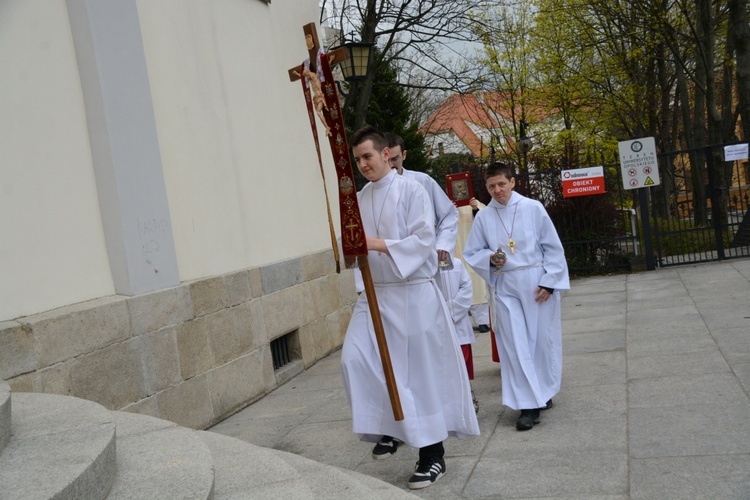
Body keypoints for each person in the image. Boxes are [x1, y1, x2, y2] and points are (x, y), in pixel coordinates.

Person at [341, 126, 479, 489]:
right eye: (357, 160)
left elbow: (423, 241)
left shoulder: (412, 190)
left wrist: (372, 243)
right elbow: (355, 251)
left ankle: (432, 456)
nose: (363, 165)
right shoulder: (359, 197)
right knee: (354, 359)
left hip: (413, 293)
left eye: (367, 157)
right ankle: (392, 427)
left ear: (387, 153)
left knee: (419, 376)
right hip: (375, 295)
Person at [463, 162, 569, 431]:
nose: (497, 190)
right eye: (491, 186)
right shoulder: (485, 217)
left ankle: (542, 391)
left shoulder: (533, 208)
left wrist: (550, 282)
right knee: (516, 345)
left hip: (536, 286)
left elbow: (552, 248)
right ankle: (528, 406)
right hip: (505, 286)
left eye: (501, 184)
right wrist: (491, 258)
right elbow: (472, 251)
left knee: (540, 343)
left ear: (512, 182)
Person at [385, 132, 459, 261]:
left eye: (395, 159)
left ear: (404, 155)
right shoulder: (374, 190)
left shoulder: (423, 181)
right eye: (387, 160)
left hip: (427, 258)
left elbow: (448, 215)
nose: (391, 165)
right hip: (393, 260)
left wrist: (443, 244)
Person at [436, 254, 478, 412]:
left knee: (462, 362)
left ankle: (466, 400)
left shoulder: (457, 264)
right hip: (434, 322)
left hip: (458, 323)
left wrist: (450, 310)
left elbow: (466, 288)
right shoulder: (422, 265)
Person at [455, 197, 490, 333]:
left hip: (471, 252)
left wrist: (476, 208)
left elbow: (487, 220)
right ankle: (461, 321)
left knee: (478, 288)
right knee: (456, 290)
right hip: (454, 253)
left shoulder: (475, 205)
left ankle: (482, 321)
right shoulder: (445, 206)